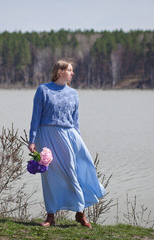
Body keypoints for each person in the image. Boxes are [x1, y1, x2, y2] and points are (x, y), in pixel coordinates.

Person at [28, 58, 106, 228]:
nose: (72, 73)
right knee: (51, 177)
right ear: (60, 71)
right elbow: (36, 117)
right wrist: (32, 140)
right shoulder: (43, 90)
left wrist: (78, 142)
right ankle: (50, 216)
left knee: (74, 172)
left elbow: (75, 120)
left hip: (69, 136)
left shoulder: (73, 93)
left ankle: (80, 213)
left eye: (71, 70)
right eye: (69, 70)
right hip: (47, 136)